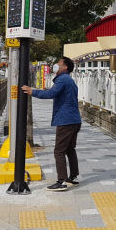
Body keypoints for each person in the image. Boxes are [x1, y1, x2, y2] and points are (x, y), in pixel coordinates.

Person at [21, 56, 81, 192]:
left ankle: (62, 181)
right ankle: (73, 177)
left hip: (66, 121)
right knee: (70, 149)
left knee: (59, 151)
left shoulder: (63, 79)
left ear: (65, 67)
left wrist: (32, 91)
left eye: (58, 63)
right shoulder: (70, 80)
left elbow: (51, 94)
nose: (56, 65)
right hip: (74, 120)